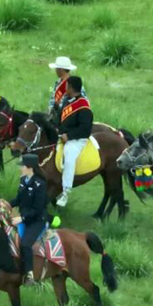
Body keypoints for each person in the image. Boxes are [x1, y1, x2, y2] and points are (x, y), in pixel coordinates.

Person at [4, 153, 49, 285]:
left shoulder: (40, 185)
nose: (21, 168)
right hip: (23, 218)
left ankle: (30, 274)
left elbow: (38, 209)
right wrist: (7, 204)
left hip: (37, 220)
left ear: (30, 167)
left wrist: (22, 218)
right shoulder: (23, 180)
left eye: (22, 166)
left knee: (25, 244)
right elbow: (19, 199)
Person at [56, 76, 93, 208]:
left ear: (71, 88)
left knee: (69, 156)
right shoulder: (67, 100)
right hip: (62, 135)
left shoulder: (83, 105)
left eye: (67, 86)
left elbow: (85, 128)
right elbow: (60, 118)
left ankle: (66, 191)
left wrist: (69, 136)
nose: (65, 88)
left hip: (77, 139)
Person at [47, 56, 86, 125]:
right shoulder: (58, 83)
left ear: (60, 70)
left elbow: (82, 103)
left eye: (57, 69)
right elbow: (52, 101)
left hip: (69, 117)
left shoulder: (75, 84)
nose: (55, 70)